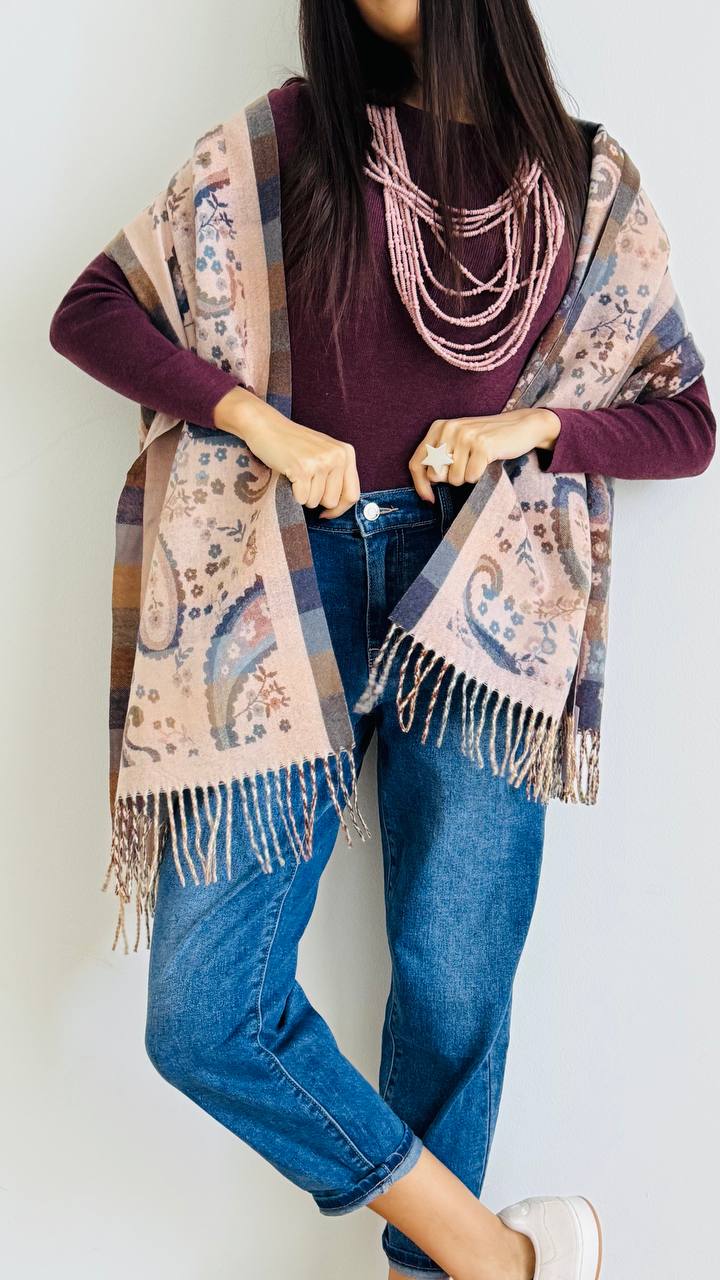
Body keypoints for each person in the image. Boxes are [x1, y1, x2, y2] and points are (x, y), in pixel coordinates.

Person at [48, 2, 714, 1278]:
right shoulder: (292, 139)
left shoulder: (583, 177)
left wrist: (534, 430)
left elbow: (685, 418)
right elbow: (94, 308)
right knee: (204, 1012)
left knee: (455, 986)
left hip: (487, 601)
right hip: (278, 587)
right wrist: (261, 422)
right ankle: (492, 1256)